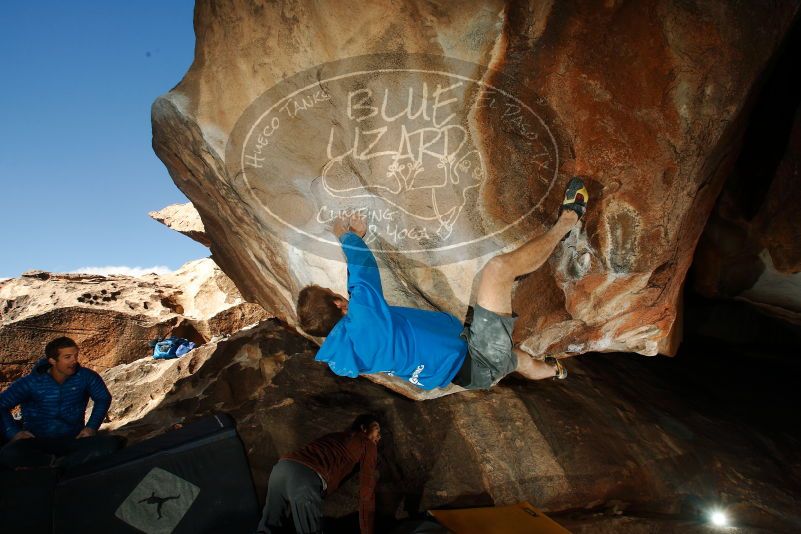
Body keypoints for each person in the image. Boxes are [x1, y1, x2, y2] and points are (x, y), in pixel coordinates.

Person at [298, 177, 590, 390]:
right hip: (476, 360)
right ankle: (568, 221)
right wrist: (347, 236)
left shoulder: (344, 355)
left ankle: (554, 371)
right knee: (498, 270)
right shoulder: (363, 325)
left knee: (521, 362)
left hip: (463, 371)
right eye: (335, 294)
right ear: (339, 304)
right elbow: (362, 277)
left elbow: (358, 296)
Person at [0, 336, 122, 469]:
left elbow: (103, 398)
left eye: (75, 356)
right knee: (8, 454)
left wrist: (91, 427)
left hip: (74, 438)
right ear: (53, 360)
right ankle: (56, 464)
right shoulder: (31, 383)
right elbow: (2, 404)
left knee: (112, 444)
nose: (74, 361)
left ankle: (57, 465)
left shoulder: (86, 377)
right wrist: (13, 432)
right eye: (67, 357)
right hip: (36, 441)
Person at [256, 414, 380, 534]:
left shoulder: (335, 436)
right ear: (363, 428)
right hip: (304, 478)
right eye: (376, 429)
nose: (379, 436)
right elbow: (367, 492)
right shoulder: (367, 443)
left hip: (281, 468)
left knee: (269, 525)